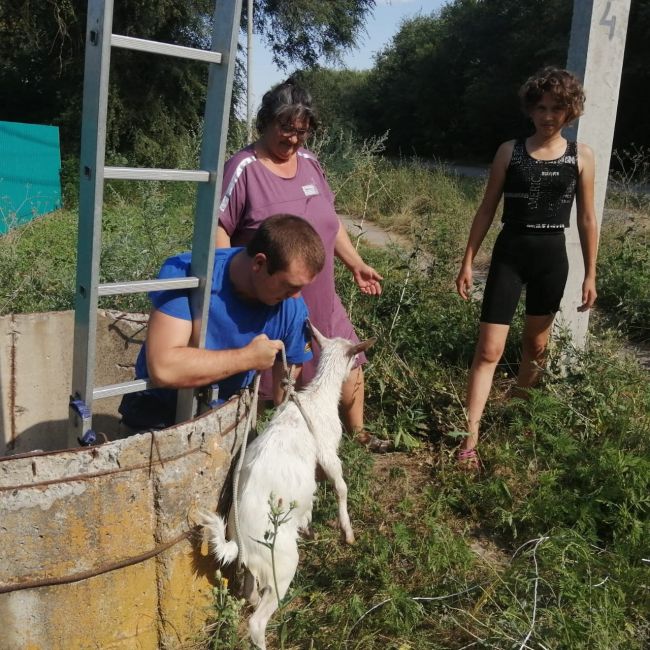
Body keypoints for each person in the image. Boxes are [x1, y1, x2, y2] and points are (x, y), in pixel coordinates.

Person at [217, 78, 389, 451]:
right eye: (286, 128)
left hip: (322, 297)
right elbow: (220, 232)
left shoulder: (310, 162)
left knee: (348, 363)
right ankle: (271, 449)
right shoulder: (243, 168)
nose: (293, 140)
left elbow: (330, 221)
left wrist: (355, 263)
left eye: (301, 132)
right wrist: (231, 290)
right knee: (274, 385)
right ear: (265, 121)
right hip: (272, 304)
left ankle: (358, 435)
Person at [455, 67, 598, 470]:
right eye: (541, 108)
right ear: (530, 110)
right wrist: (468, 260)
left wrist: (591, 273)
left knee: (536, 350)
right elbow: (487, 209)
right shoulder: (509, 150)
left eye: (557, 108)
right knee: (489, 349)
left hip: (552, 256)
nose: (548, 116)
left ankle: (519, 409)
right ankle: (469, 439)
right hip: (510, 253)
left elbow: (587, 219)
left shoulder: (580, 155)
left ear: (570, 111)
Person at [119, 215, 325, 431]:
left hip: (225, 415)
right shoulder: (189, 273)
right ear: (259, 263)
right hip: (157, 408)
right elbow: (163, 368)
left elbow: (286, 395)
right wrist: (247, 358)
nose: (295, 296)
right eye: (290, 285)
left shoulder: (291, 307)